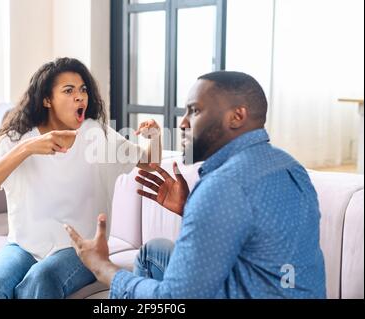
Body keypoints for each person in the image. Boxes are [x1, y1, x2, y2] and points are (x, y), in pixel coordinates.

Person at [65, 71, 327, 298]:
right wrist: (191, 207)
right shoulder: (290, 166)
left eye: (195, 110)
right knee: (153, 252)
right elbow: (260, 241)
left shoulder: (223, 186)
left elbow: (175, 298)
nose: (182, 123)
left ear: (237, 116)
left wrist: (102, 267)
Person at [0, 57, 162, 299]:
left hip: (81, 250)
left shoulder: (96, 135)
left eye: (83, 90)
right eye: (68, 90)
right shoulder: (17, 138)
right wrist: (27, 148)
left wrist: (154, 136)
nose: (80, 96)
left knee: (41, 278)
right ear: (47, 100)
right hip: (23, 247)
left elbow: (150, 163)